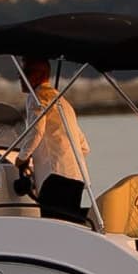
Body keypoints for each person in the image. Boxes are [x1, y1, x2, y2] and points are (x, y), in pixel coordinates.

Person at [14, 56, 91, 222]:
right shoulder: (62, 100)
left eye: (25, 72)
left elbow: (37, 131)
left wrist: (22, 158)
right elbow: (84, 147)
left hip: (54, 179)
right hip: (76, 177)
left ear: (38, 75)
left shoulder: (37, 98)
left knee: (53, 226)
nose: (20, 77)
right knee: (70, 228)